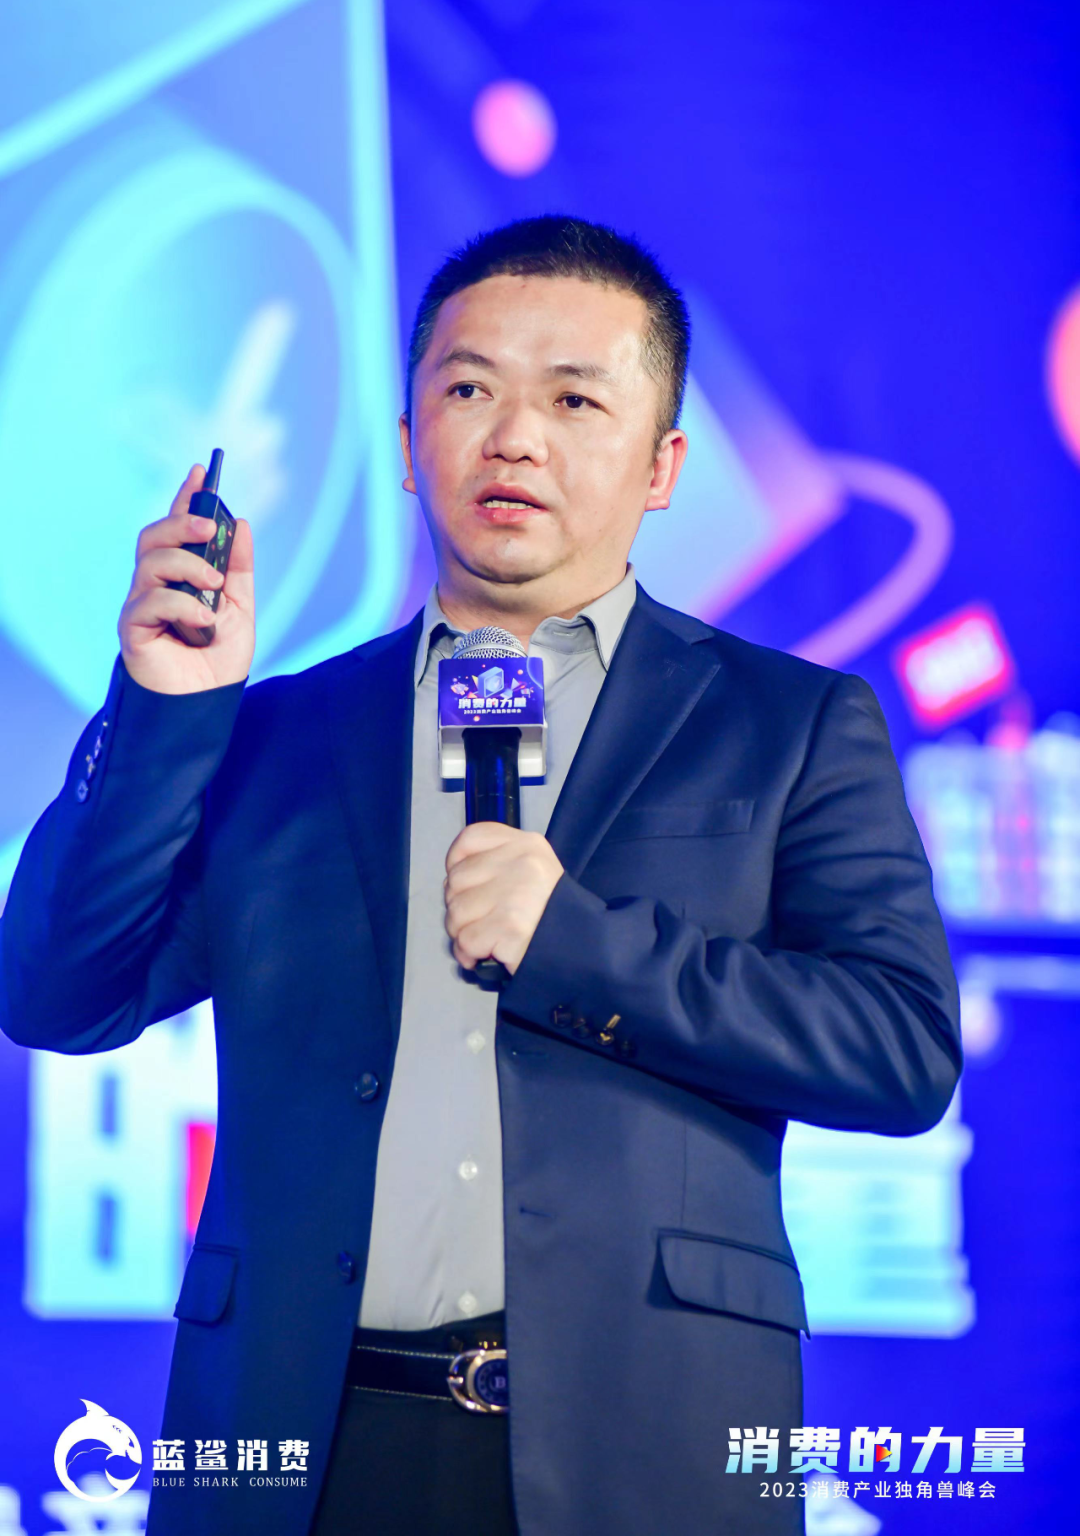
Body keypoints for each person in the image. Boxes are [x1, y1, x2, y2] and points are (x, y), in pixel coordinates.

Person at [0, 216, 961, 1536]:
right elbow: (57, 994)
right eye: (469, 391)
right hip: (301, 1443)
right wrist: (167, 707)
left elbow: (900, 1052)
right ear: (407, 446)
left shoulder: (787, 725)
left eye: (575, 399)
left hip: (641, 1449)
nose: (514, 439)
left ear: (664, 463)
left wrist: (573, 939)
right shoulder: (275, 737)